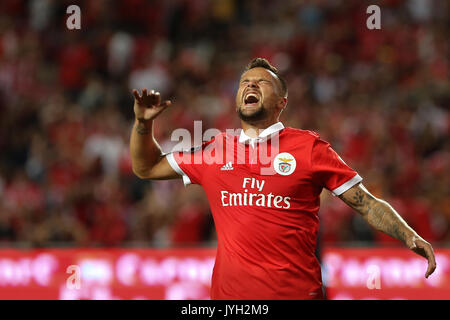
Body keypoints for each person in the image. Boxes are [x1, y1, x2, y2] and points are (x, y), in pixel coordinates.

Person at [129, 58, 436, 300]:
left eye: (263, 82)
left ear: (282, 103)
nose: (252, 85)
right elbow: (147, 168)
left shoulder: (310, 148)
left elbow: (367, 204)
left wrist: (409, 235)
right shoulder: (215, 149)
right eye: (245, 82)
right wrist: (143, 126)